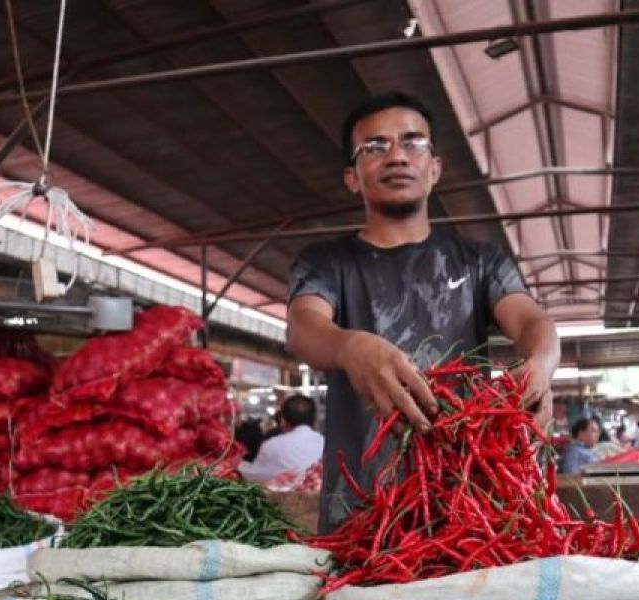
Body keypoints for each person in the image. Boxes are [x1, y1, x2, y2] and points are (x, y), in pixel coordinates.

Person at [285, 92, 560, 531]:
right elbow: (303, 326)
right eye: (374, 147)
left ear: (434, 169)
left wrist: (542, 362)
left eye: (412, 143)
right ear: (352, 177)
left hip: (469, 508)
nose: (396, 155)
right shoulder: (326, 263)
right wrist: (348, 346)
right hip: (360, 514)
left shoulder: (480, 261)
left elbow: (529, 321)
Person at [238, 395, 325, 484]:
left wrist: (236, 465)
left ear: (283, 420)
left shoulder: (272, 445)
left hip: (280, 496)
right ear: (315, 419)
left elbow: (255, 475)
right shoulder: (325, 443)